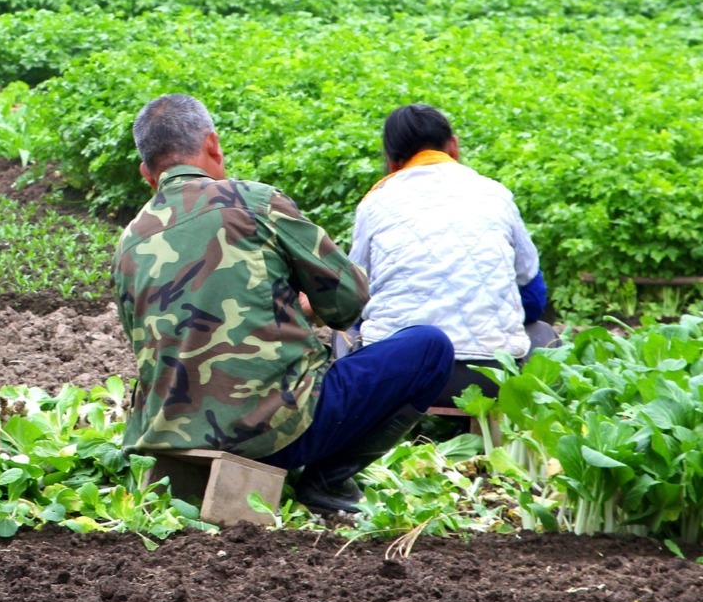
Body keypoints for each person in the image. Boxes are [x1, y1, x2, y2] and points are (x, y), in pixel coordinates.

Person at [114, 94, 454, 514]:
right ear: (214, 145)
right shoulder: (253, 203)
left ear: (147, 174)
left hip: (163, 439)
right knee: (430, 347)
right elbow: (350, 298)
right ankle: (327, 481)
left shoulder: (129, 240)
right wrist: (306, 309)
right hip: (271, 436)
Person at [350, 103, 556, 406]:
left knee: (348, 337)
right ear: (454, 146)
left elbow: (353, 296)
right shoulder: (495, 194)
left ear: (393, 162)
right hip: (490, 376)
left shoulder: (375, 202)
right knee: (543, 333)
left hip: (399, 377)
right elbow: (534, 297)